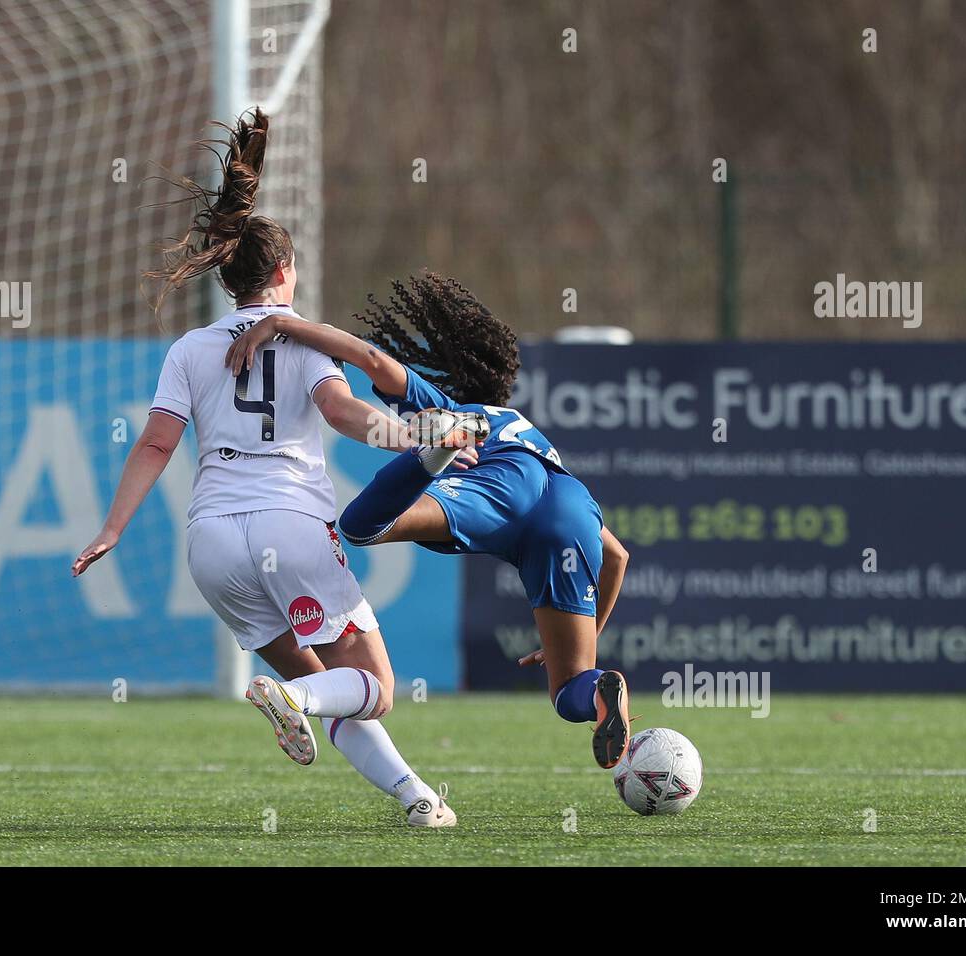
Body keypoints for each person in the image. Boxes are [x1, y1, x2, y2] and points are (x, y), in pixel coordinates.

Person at [72, 111, 460, 826]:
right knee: (371, 686)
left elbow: (156, 444)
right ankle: (300, 706)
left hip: (212, 542)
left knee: (320, 687)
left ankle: (416, 799)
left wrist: (112, 527)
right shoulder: (303, 339)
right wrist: (414, 437)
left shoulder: (190, 347)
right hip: (291, 524)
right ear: (283, 272)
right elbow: (345, 415)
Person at [225, 273, 634, 769]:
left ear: (450, 376)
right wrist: (587, 630)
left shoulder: (453, 408)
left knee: (360, 527)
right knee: (571, 690)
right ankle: (600, 690)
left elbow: (368, 358)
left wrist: (278, 324)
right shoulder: (524, 426)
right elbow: (617, 555)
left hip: (497, 489)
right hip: (570, 503)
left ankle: (430, 453)